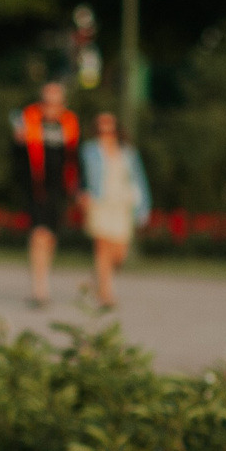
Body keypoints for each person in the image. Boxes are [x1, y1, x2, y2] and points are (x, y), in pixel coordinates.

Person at [11, 80, 79, 308]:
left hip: (59, 190)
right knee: (39, 234)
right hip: (36, 187)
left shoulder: (69, 123)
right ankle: (39, 288)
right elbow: (17, 159)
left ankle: (43, 278)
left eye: (55, 101)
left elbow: (74, 158)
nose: (51, 105)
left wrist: (76, 188)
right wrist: (17, 142)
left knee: (49, 237)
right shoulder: (28, 119)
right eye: (47, 100)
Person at [79, 110, 151, 311]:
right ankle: (106, 292)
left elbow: (139, 179)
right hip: (99, 201)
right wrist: (81, 194)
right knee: (102, 246)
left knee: (119, 253)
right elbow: (79, 175)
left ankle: (100, 279)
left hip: (122, 203)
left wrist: (144, 206)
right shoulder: (89, 150)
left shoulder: (128, 152)